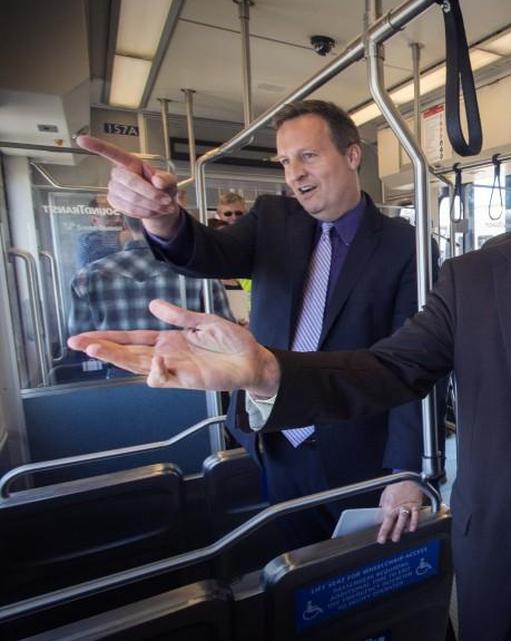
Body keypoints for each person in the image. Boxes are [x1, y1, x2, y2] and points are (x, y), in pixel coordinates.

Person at [70, 110, 511, 641]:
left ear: (351, 155)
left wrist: (404, 470)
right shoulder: (470, 276)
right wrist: (267, 370)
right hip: (465, 527)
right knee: (311, 593)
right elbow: (393, 365)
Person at [75, 100, 425, 548]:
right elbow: (207, 253)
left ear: (352, 155)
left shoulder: (403, 245)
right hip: (276, 440)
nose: (294, 173)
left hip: (361, 454)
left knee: (373, 584)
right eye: (284, 161)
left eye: (308, 156)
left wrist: (405, 471)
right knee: (296, 582)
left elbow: (411, 364)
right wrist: (162, 218)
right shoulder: (273, 220)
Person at [68, 216, 234, 335]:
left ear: (126, 225)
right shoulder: (200, 272)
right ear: (173, 224)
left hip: (117, 376)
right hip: (189, 372)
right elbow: (226, 331)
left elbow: (79, 337)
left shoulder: (87, 277)